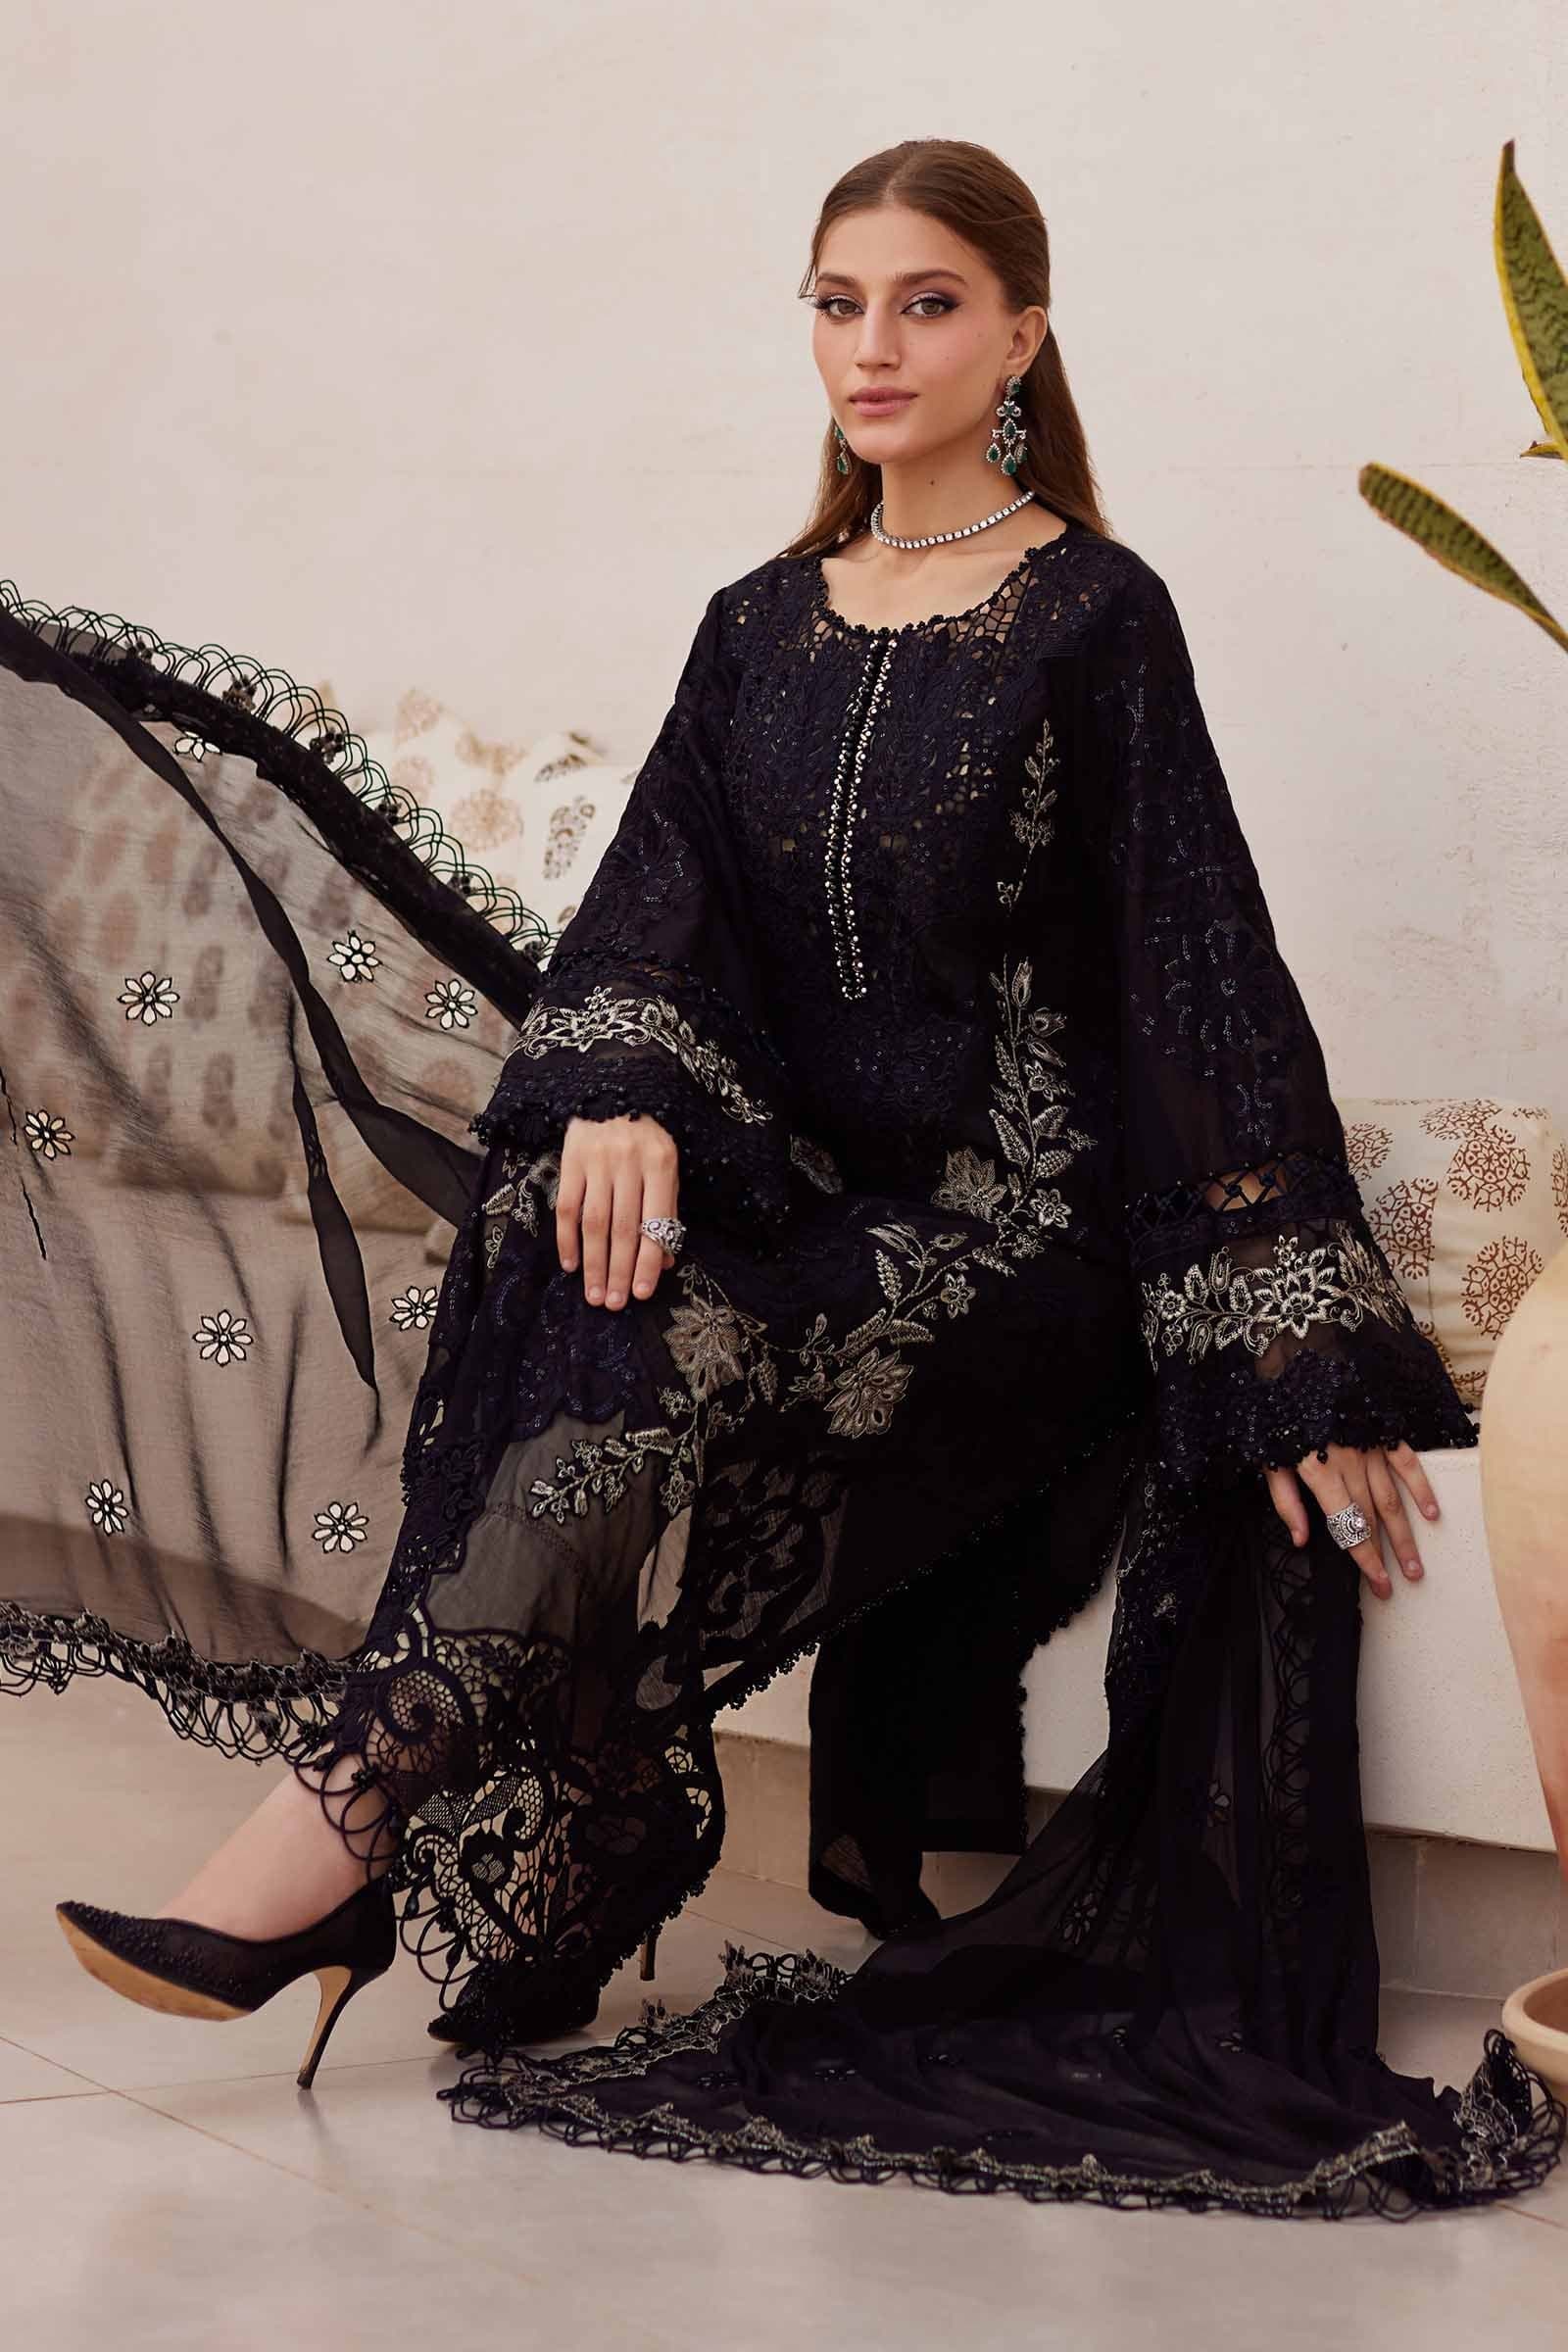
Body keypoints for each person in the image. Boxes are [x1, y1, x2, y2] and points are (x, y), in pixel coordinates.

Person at [2, 135, 1561, 2216]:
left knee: (669, 1319)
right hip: (814, 1202)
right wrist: (623, 1091)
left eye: (926, 303)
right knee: (582, 1243)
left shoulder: (1094, 617)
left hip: (1024, 1247)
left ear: (1020, 334)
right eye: (838, 303)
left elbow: (1197, 970)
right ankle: (364, 1834)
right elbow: (652, 919)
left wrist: (1286, 1338)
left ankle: (338, 1838)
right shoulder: (753, 626)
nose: (873, 346)